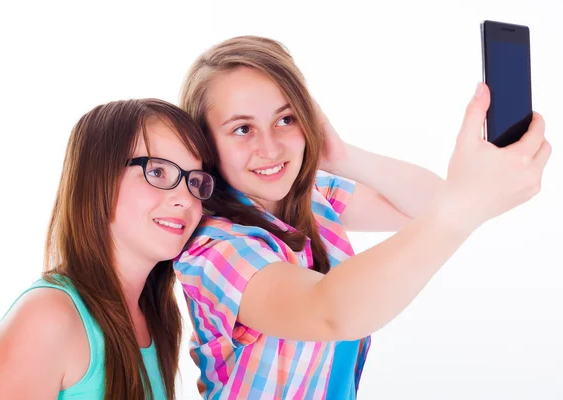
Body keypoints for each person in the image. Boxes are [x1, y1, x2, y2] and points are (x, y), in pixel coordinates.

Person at [173, 36, 551, 399]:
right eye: (242, 129)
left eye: (286, 119)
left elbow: (431, 202)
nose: (270, 147)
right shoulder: (214, 249)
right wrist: (463, 207)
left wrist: (341, 157)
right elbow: (329, 312)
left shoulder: (314, 194)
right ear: (205, 145)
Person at [0, 98, 216, 399]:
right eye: (157, 172)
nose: (186, 198)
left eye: (195, 180)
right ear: (99, 179)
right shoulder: (48, 319)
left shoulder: (157, 318)